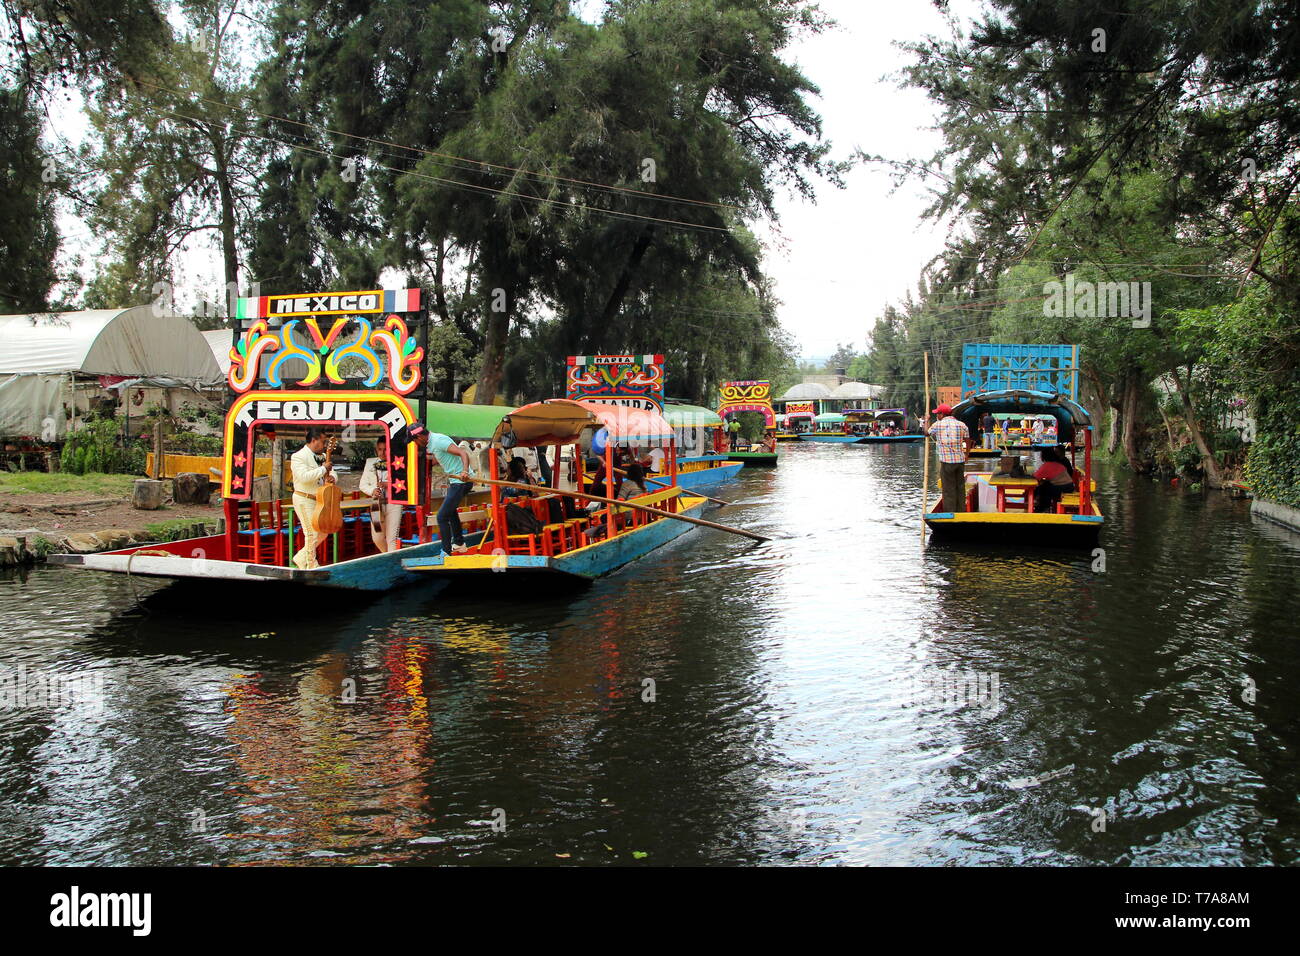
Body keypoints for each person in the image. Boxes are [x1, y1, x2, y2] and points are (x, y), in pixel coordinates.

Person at [415, 425, 474, 556]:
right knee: (450, 511)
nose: (416, 443)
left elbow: (463, 453)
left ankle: (446, 552)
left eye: (415, 441)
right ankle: (459, 543)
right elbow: (438, 459)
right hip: (456, 482)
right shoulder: (433, 444)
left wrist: (464, 471)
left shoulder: (438, 441)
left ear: (419, 437)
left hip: (461, 481)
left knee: (441, 517)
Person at [291, 426, 336, 569]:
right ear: (314, 440)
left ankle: (300, 557)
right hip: (304, 498)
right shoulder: (298, 456)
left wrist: (332, 478)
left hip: (319, 498)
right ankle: (311, 564)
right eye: (322, 441)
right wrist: (323, 469)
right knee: (311, 533)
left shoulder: (323, 456)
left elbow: (333, 473)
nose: (323, 445)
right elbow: (303, 477)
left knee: (323, 531)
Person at [927, 403, 972, 513]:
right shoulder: (962, 425)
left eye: (938, 414)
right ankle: (961, 511)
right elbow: (968, 440)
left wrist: (926, 421)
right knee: (960, 487)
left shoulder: (938, 424)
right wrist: (966, 454)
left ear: (942, 414)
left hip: (947, 462)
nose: (937, 416)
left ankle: (950, 512)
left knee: (948, 489)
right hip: (960, 461)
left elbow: (926, 433)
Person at [359, 454, 404, 553]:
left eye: (385, 449)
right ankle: (386, 555)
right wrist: (372, 490)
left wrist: (389, 485)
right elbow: (362, 485)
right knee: (377, 537)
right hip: (377, 504)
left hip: (394, 503)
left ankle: (391, 562)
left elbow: (406, 482)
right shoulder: (370, 462)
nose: (382, 452)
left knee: (392, 538)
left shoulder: (398, 461)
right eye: (380, 449)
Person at [1033, 446, 1077, 512]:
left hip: (1062, 488)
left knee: (1042, 489)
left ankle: (1044, 508)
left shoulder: (1047, 465)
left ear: (1044, 456)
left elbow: (1035, 476)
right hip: (1070, 486)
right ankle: (1044, 507)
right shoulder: (1058, 464)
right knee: (1045, 485)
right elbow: (1055, 477)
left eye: (1041, 455)